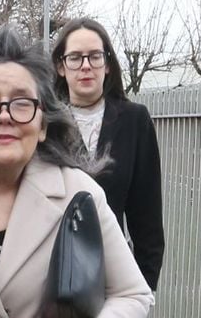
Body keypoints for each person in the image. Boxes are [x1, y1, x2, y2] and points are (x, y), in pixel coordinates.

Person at [0, 27, 154, 317]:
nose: (5, 116)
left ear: (43, 125)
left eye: (22, 103)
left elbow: (130, 294)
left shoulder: (81, 195)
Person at [51, 17, 164, 291]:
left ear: (108, 64)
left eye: (95, 56)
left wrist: (143, 290)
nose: (86, 65)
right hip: (48, 278)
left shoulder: (134, 120)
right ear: (61, 66)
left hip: (111, 277)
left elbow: (146, 217)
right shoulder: (44, 122)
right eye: (75, 57)